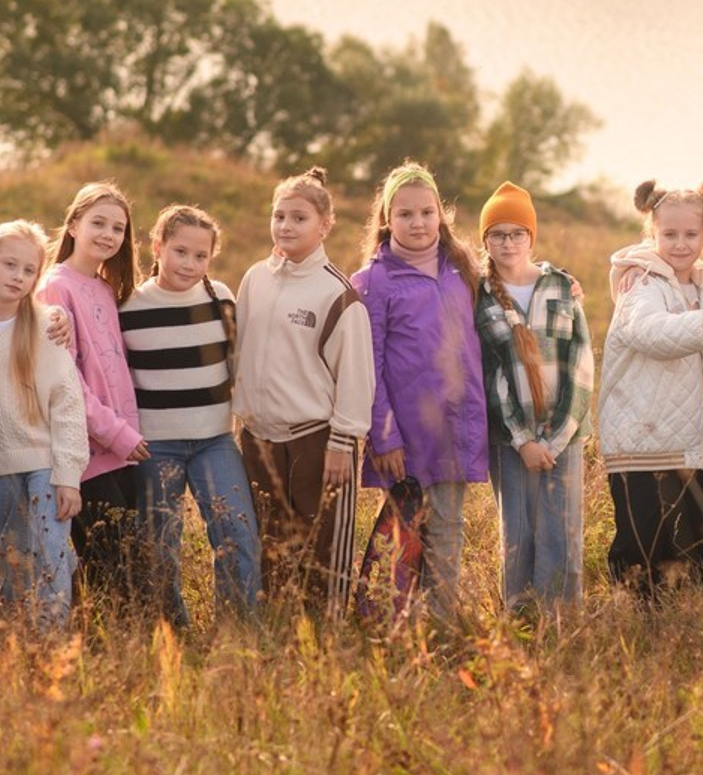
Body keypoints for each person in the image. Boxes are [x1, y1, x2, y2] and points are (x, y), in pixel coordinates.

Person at [598, 178, 703, 596]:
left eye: (691, 234)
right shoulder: (644, 285)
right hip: (642, 441)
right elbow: (651, 334)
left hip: (693, 443)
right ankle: (635, 632)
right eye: (669, 234)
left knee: (691, 547)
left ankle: (686, 632)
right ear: (652, 233)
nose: (681, 243)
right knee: (642, 548)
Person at [351, 162, 487, 623]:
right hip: (405, 435)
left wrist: (562, 281)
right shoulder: (374, 281)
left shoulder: (461, 267)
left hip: (456, 426)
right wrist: (383, 437)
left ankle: (439, 624)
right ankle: (390, 624)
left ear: (440, 215)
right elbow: (369, 365)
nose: (418, 223)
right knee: (405, 530)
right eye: (405, 214)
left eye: (427, 212)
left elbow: (511, 286)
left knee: (448, 526)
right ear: (387, 219)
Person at [235, 167, 373, 619]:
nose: (286, 226)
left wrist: (341, 442)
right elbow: (242, 351)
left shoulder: (337, 292)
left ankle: (325, 632)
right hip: (258, 435)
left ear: (324, 224)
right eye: (279, 216)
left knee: (322, 542)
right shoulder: (255, 277)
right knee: (270, 540)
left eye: (299, 218)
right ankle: (279, 624)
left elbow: (355, 376)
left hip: (315, 438)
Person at [119, 204, 260, 625]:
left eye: (201, 256)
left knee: (237, 533)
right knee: (159, 543)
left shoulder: (222, 298)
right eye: (180, 252)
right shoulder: (127, 306)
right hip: (154, 445)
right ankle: (173, 630)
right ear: (157, 247)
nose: (190, 264)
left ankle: (238, 629)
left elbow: (239, 364)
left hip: (215, 439)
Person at [475, 181, 592, 611]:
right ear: (484, 240)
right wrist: (522, 439)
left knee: (562, 528)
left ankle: (559, 619)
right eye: (497, 234)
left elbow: (580, 364)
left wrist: (555, 438)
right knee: (519, 529)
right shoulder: (480, 297)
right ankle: (521, 618)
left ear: (532, 238)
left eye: (517, 233)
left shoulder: (561, 288)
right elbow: (492, 373)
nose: (508, 243)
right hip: (511, 439)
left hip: (564, 433)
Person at [40, 181, 148, 602]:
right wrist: (117, 433)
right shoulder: (55, 287)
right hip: (85, 452)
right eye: (98, 223)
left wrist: (126, 437)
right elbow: (66, 382)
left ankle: (100, 649)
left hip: (120, 451)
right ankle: (94, 654)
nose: (108, 234)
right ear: (72, 225)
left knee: (117, 566)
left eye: (118, 228)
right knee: (110, 565)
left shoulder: (104, 288)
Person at [0, 220, 89, 629]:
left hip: (43, 465)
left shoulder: (46, 323)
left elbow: (68, 405)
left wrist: (68, 474)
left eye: (28, 270)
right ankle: (20, 651)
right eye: (8, 265)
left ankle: (53, 648)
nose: (17, 277)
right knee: (14, 564)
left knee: (51, 555)